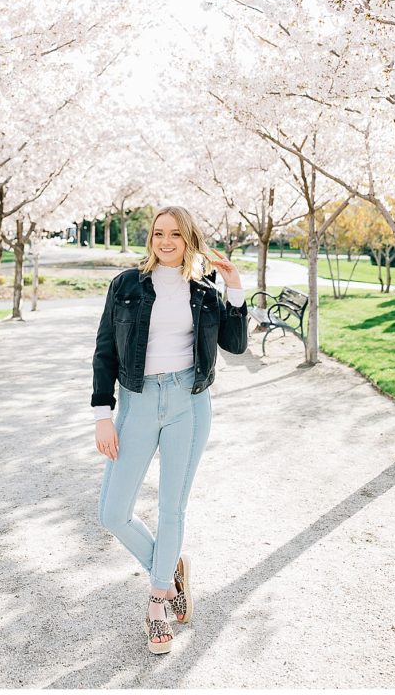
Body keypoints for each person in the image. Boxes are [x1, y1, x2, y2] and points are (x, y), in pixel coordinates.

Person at [91, 205, 248, 653]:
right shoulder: (125, 285)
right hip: (137, 403)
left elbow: (234, 345)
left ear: (190, 240)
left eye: (175, 235)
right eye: (158, 233)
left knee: (172, 508)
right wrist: (104, 414)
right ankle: (170, 567)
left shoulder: (204, 288)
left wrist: (234, 287)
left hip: (189, 404)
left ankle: (159, 600)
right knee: (112, 512)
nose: (165, 241)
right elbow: (105, 351)